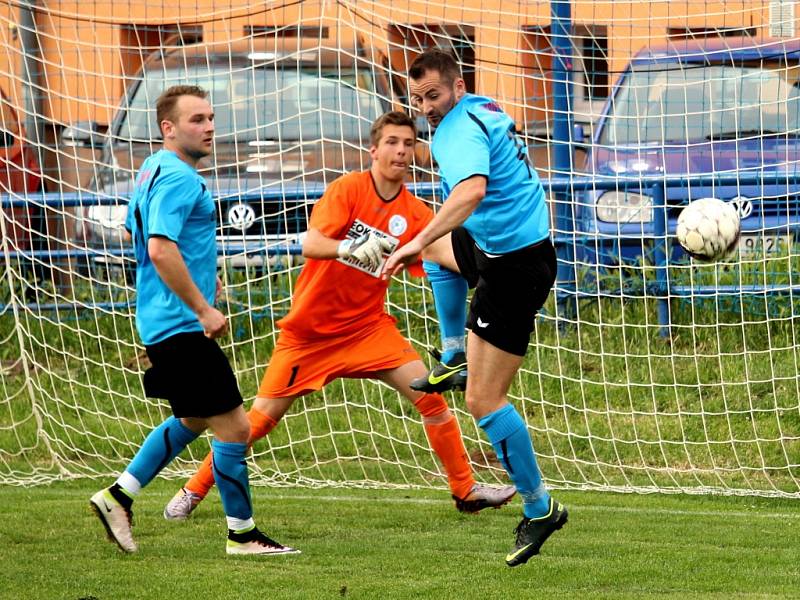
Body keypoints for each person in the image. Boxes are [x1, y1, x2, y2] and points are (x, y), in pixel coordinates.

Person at [162, 111, 516, 521]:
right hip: (309, 334)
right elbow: (311, 243)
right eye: (391, 142)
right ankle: (192, 490)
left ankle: (465, 489)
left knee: (430, 397)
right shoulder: (348, 190)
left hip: (368, 328)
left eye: (407, 143)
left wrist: (494, 267)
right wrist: (350, 248)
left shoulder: (415, 214)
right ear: (373, 149)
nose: (401, 150)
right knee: (255, 422)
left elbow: (439, 255)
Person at [89, 85, 298, 557]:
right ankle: (242, 535)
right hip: (182, 325)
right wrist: (202, 306)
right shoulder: (180, 178)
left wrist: (200, 279)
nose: (208, 128)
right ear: (168, 127)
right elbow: (161, 247)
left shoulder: (150, 169)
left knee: (192, 419)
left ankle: (118, 496)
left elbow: (133, 230)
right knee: (236, 428)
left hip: (162, 320)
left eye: (210, 118)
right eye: (196, 120)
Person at [384, 49, 567, 567]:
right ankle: (452, 349)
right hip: (502, 247)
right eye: (417, 99)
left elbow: (470, 189)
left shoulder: (457, 130)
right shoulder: (484, 108)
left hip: (512, 271)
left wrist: (414, 240)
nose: (426, 108)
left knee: (485, 403)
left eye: (434, 96)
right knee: (445, 252)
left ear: (457, 87)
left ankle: (540, 508)